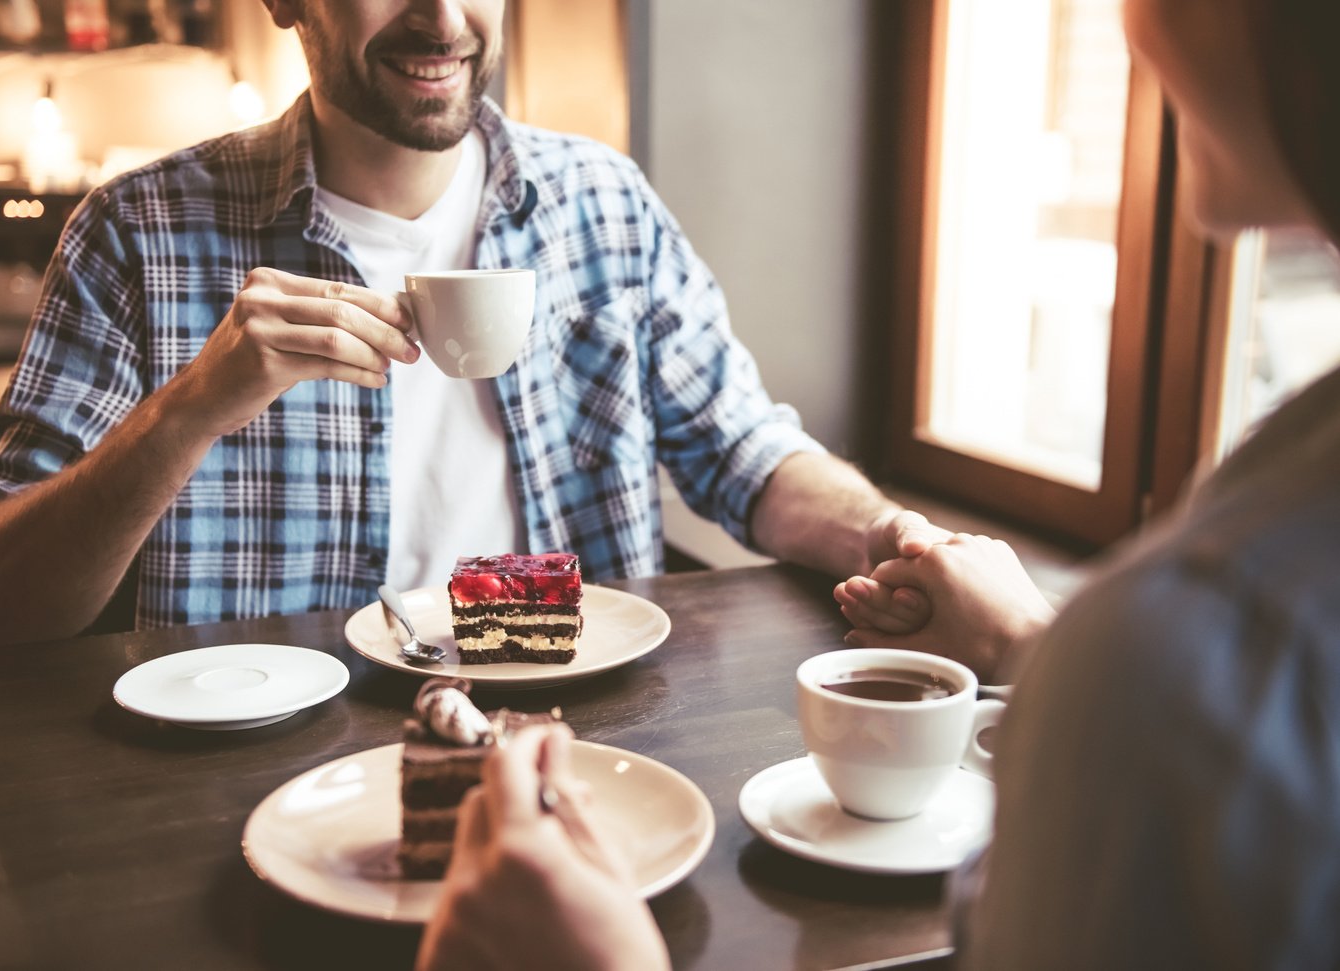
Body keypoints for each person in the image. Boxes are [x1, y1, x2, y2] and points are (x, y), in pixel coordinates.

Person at [417, 0, 1340, 967]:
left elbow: (743, 445)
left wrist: (900, 539)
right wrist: (1034, 646)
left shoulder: (1197, 651)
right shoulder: (1199, 637)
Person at [0, 0, 948, 650]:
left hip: (575, 745)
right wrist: (190, 411)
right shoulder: (139, 230)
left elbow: (745, 453)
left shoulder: (602, 202)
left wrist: (899, 539)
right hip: (260, 779)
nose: (442, 16)